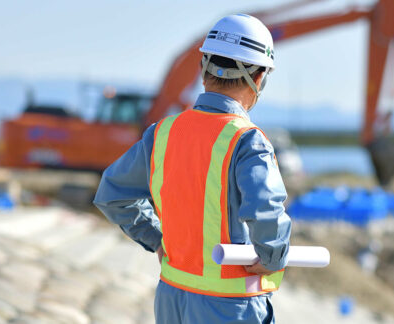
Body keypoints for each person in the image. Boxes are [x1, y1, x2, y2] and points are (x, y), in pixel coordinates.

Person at [94, 14, 291, 324]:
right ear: (259, 78)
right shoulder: (248, 141)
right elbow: (265, 211)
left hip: (173, 297)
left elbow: (112, 195)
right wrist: (272, 256)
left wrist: (157, 240)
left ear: (203, 69)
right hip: (230, 305)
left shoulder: (162, 133)